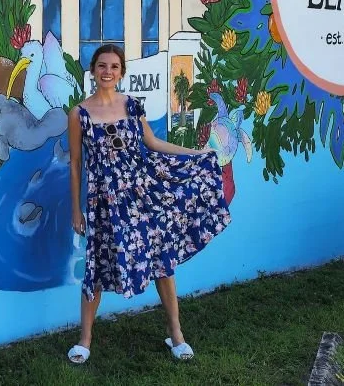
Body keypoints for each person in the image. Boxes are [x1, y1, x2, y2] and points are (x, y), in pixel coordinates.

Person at [66, 44, 231, 364]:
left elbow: (152, 143)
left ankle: (177, 335)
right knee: (96, 268)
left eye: (114, 67)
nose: (108, 72)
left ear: (121, 72)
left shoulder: (132, 106)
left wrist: (196, 155)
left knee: (162, 261)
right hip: (103, 203)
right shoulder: (79, 114)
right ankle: (85, 340)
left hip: (142, 195)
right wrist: (76, 208)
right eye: (102, 66)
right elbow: (75, 164)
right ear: (93, 70)